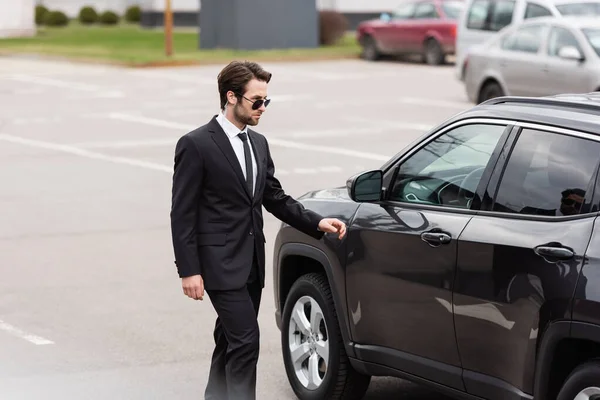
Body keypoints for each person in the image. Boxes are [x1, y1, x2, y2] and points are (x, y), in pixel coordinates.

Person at [169, 60, 347, 400]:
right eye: (257, 101)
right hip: (218, 264)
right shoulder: (196, 144)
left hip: (252, 263)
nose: (263, 108)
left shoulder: (259, 143)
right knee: (246, 341)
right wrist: (188, 270)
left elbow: (273, 197)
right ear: (232, 97)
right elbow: (182, 212)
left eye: (267, 101)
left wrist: (316, 221)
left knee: (229, 340)